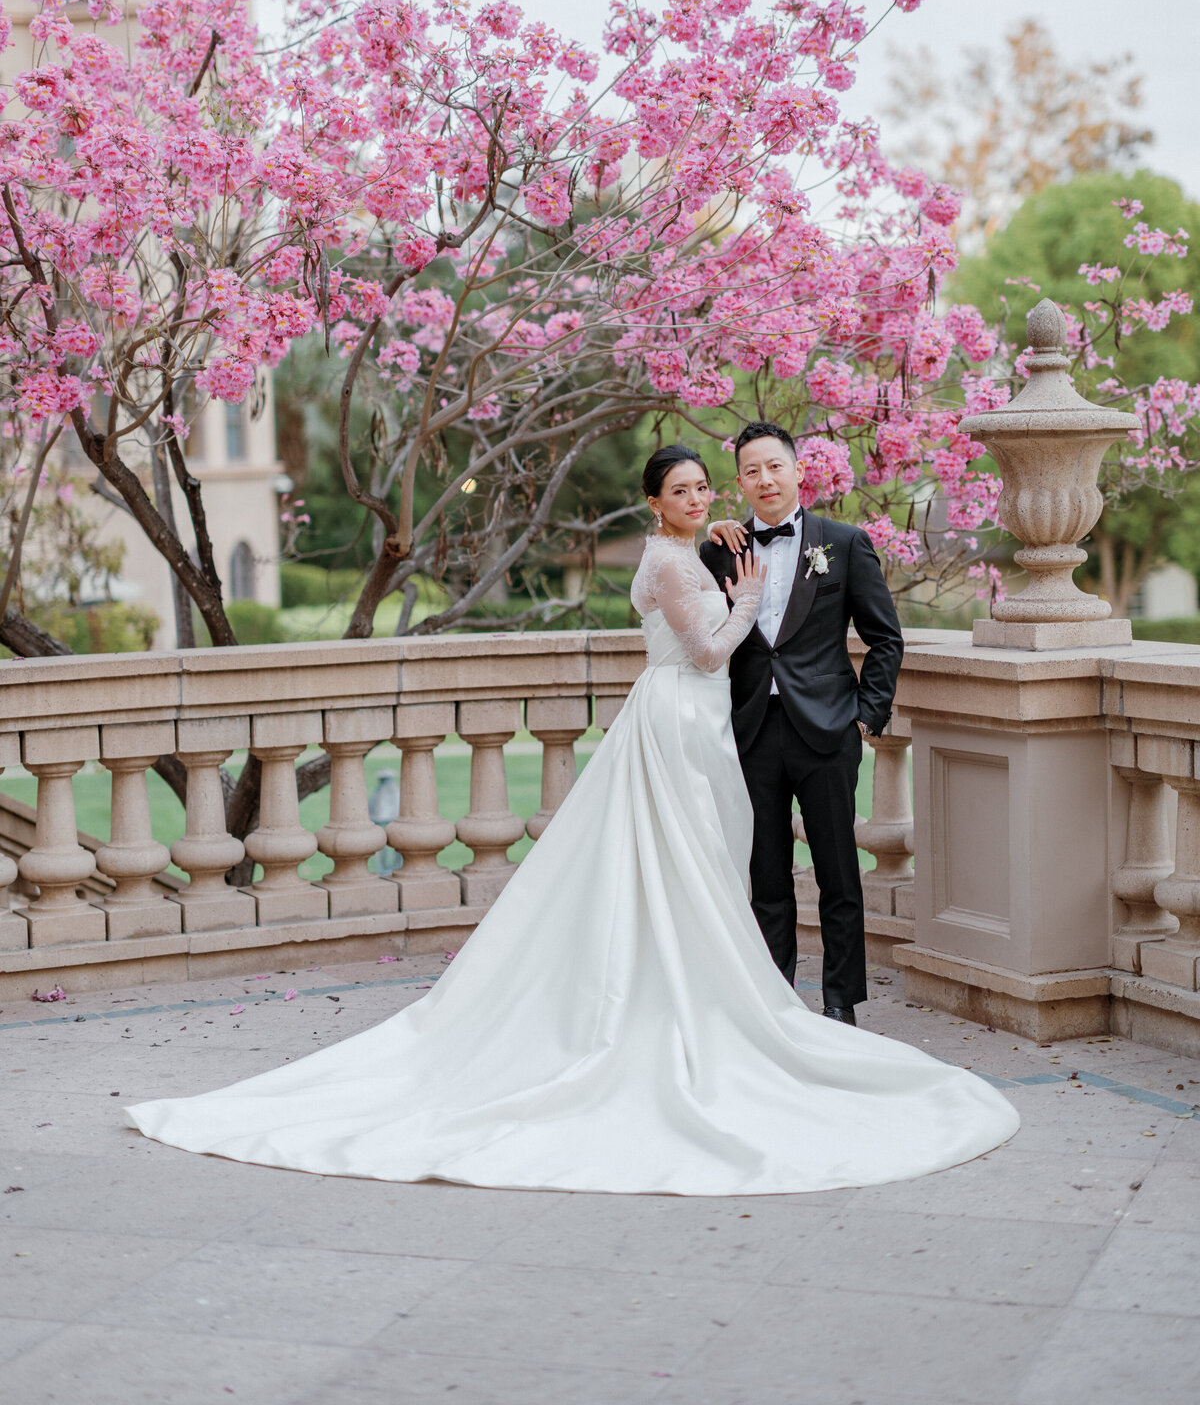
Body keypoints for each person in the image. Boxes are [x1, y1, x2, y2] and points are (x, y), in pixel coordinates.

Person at [125, 444, 1017, 1194]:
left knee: (793, 870)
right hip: (693, 723)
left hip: (775, 730)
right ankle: (741, 1002)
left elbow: (881, 633)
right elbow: (710, 646)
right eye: (693, 487)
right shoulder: (688, 559)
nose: (712, 494)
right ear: (657, 502)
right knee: (721, 876)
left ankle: (824, 1008)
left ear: (782, 476)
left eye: (718, 482)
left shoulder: (787, 542)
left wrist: (866, 708)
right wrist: (744, 597)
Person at [701, 420, 903, 1026]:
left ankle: (840, 1003)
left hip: (827, 732)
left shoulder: (843, 542)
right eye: (753, 470)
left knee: (839, 874)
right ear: (740, 481)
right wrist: (704, 535)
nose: (766, 479)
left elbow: (885, 637)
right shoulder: (719, 551)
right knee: (765, 877)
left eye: (776, 467)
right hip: (752, 732)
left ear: (798, 471)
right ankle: (774, 1001)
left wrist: (867, 715)